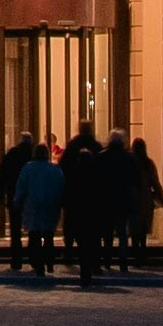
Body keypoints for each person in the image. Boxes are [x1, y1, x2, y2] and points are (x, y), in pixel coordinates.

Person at [63, 120, 114, 286]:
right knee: (93, 238)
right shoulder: (97, 148)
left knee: (76, 234)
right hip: (94, 210)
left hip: (76, 205)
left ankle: (70, 254)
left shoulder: (72, 147)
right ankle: (95, 264)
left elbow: (63, 168)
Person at [9, 135, 66, 280]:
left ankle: (37, 263)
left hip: (32, 205)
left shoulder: (28, 168)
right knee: (48, 236)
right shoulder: (54, 169)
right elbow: (61, 186)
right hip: (50, 205)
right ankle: (49, 261)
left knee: (34, 235)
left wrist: (17, 201)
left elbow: (21, 187)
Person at [120, 129, 163, 265]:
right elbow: (155, 181)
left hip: (132, 198)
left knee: (134, 228)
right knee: (143, 229)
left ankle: (135, 254)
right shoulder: (148, 163)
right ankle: (142, 253)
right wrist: (160, 197)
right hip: (145, 199)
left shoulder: (129, 162)